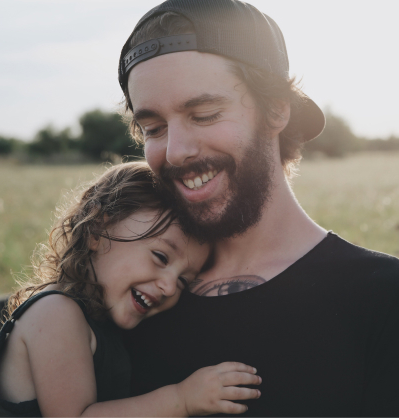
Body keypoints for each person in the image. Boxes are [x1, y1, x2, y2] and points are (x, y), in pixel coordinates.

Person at [118, 0, 399, 416]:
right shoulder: (128, 291)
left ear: (277, 110)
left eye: (205, 114)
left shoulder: (382, 297)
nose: (174, 152)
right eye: (154, 128)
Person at [0, 161, 262, 417]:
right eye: (161, 257)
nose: (168, 287)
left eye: (182, 281)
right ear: (96, 230)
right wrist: (182, 399)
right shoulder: (56, 313)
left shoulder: (100, 323)